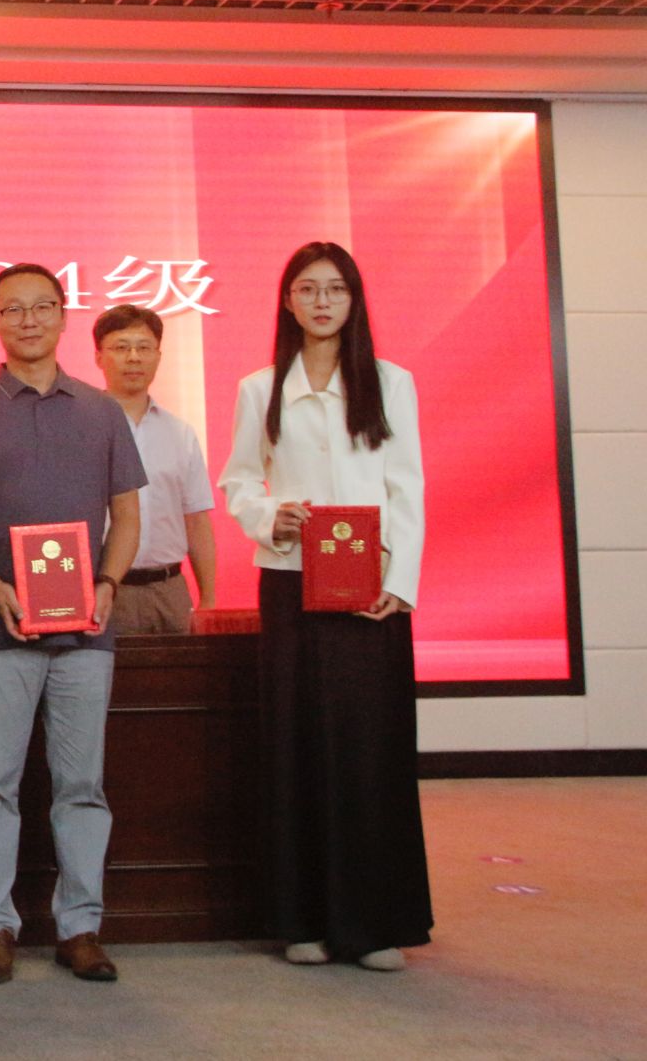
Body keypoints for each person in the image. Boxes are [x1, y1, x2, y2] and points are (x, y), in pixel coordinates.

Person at [0, 264, 145, 986]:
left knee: (82, 783)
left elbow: (127, 512)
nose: (28, 320)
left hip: (88, 633)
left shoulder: (102, 411)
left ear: (63, 315)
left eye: (41, 306)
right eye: (12, 309)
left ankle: (80, 927)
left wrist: (108, 582)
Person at [218, 242, 430, 972]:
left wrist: (401, 581)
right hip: (291, 583)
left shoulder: (391, 382)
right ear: (287, 300)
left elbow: (407, 485)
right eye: (307, 289)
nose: (321, 302)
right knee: (297, 745)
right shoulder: (260, 388)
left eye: (335, 289)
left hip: (370, 588)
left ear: (354, 299)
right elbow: (238, 479)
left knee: (369, 751)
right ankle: (300, 918)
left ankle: (372, 925)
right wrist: (268, 515)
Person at [91, 306, 218, 633]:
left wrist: (209, 598)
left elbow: (196, 520)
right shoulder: (80, 430)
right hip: (102, 591)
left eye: (144, 347)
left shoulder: (180, 434)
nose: (134, 357)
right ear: (99, 357)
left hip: (169, 590)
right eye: (121, 347)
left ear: (158, 357)